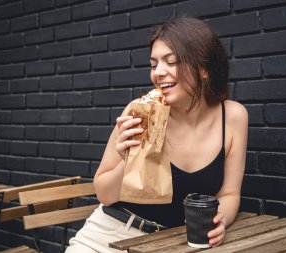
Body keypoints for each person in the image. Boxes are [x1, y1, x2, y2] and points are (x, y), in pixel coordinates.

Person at [66, 17, 248, 253]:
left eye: (171, 62)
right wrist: (127, 160)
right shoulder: (140, 112)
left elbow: (230, 193)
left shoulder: (233, 117)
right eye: (154, 65)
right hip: (110, 236)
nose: (159, 73)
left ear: (204, 68)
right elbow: (104, 194)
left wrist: (219, 220)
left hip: (175, 243)